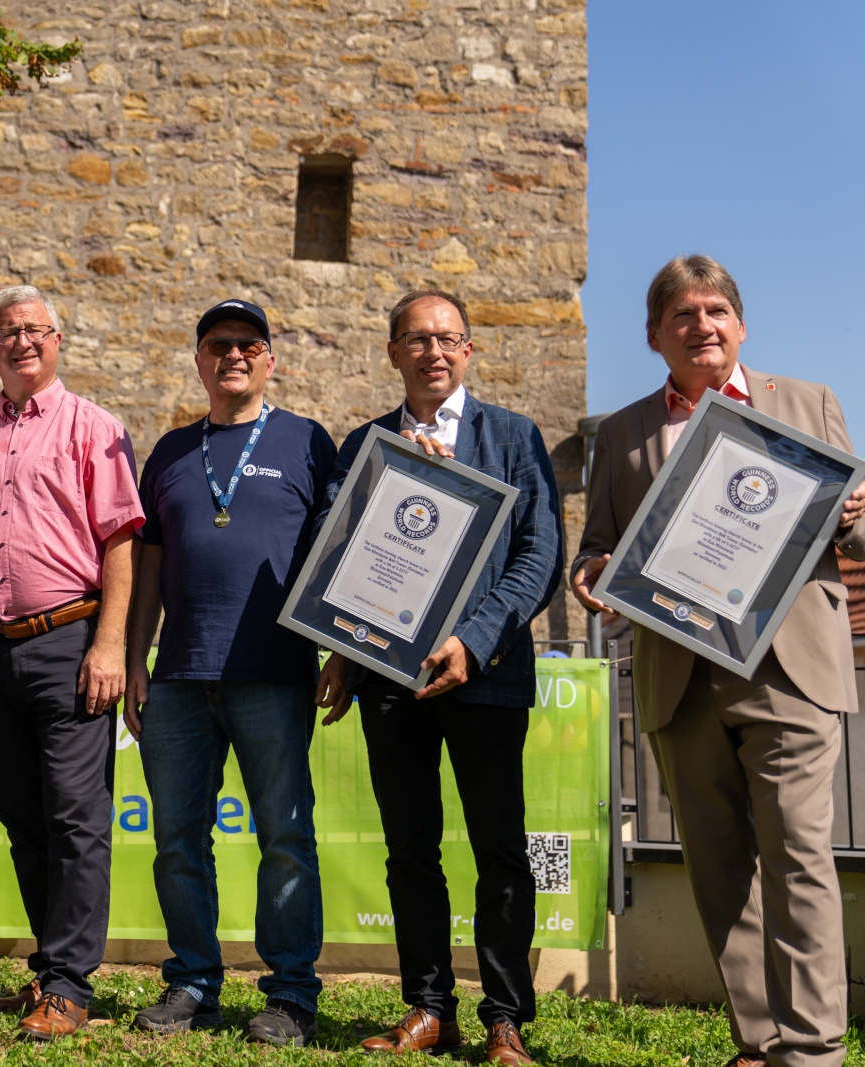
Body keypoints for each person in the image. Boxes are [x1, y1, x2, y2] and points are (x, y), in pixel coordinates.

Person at [573, 255, 865, 1067]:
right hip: (680, 677)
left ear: (740, 323)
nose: (701, 326)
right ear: (654, 335)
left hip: (789, 672)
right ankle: (759, 1039)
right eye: (682, 315)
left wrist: (851, 515)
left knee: (800, 859)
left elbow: (862, 541)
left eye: (714, 311)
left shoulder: (808, 405)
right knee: (718, 869)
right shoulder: (624, 431)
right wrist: (590, 574)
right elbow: (598, 547)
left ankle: (811, 1051)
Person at [318, 289, 563, 1065]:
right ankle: (428, 1008)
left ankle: (504, 1018)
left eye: (448, 338)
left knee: (500, 848)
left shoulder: (515, 437)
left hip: (485, 675)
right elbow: (336, 558)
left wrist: (474, 637)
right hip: (391, 679)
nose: (434, 351)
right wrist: (342, 648)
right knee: (409, 848)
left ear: (468, 350)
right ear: (393, 352)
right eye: (416, 339)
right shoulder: (365, 444)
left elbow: (539, 556)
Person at [123, 299, 339, 1046]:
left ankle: (290, 993)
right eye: (219, 344)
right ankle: (191, 982)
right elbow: (148, 563)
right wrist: (132, 660)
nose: (234, 355)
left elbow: (338, 553)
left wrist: (341, 650)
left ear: (270, 360)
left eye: (249, 344)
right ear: (200, 360)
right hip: (178, 674)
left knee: (284, 833)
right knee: (179, 836)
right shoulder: (172, 451)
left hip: (274, 672)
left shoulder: (309, 442)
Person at [0, 285, 143, 1040]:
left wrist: (111, 644)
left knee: (77, 819)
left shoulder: (95, 427)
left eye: (33, 330)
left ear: (57, 340)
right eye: (5, 332)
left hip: (71, 642)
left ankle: (68, 983)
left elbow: (121, 540)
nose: (20, 341)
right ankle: (49, 969)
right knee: (21, 814)